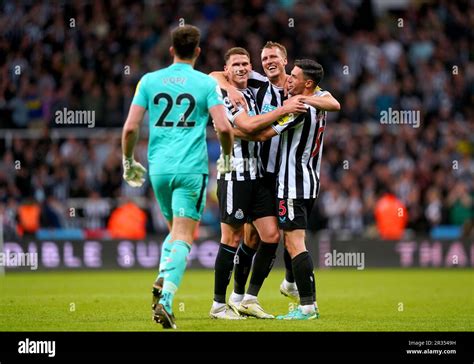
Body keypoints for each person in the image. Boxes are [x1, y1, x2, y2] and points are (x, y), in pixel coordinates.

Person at [121, 24, 233, 329]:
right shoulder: (206, 84)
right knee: (185, 235)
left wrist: (128, 160)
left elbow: (130, 128)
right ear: (197, 51)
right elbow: (224, 127)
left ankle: (163, 275)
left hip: (158, 169)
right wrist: (226, 155)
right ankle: (167, 299)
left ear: (171, 50)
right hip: (190, 169)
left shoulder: (148, 81)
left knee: (174, 231)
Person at [211, 42, 340, 304]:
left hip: (286, 175)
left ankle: (281, 285)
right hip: (260, 173)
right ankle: (239, 296)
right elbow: (215, 75)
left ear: (285, 61)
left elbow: (333, 102)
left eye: (274, 57)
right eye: (264, 58)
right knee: (254, 236)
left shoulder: (301, 90)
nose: (268, 62)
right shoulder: (257, 83)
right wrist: (227, 90)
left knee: (282, 234)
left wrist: (301, 99)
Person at [209, 47, 307, 320]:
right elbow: (249, 127)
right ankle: (218, 305)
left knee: (271, 236)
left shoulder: (253, 90)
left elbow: (252, 130)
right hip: (235, 174)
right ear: (227, 70)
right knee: (231, 238)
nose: (241, 68)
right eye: (235, 65)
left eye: (245, 64)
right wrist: (284, 111)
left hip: (258, 176)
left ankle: (247, 299)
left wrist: (257, 130)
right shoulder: (225, 96)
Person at [237, 59, 329, 320]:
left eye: (295, 76)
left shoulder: (297, 108)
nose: (289, 79)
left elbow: (263, 134)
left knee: (294, 243)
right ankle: (294, 289)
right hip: (310, 182)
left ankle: (307, 307)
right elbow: (333, 102)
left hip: (291, 185)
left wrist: (231, 131)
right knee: (294, 242)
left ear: (307, 84)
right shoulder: (319, 100)